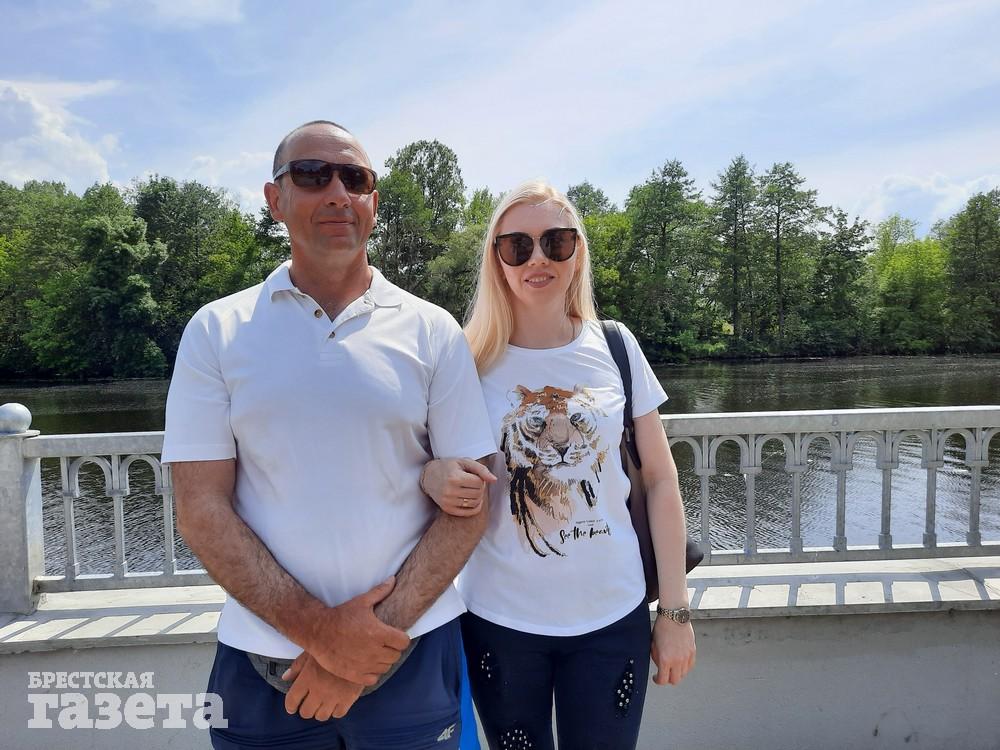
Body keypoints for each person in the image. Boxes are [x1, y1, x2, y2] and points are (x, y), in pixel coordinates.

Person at [161, 120, 497, 750]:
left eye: (355, 179)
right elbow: (200, 506)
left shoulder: (432, 330)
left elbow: (473, 503)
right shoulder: (216, 331)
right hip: (263, 659)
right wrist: (322, 634)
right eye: (313, 175)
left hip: (413, 653)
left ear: (373, 201)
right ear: (275, 199)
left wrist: (362, 646)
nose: (338, 193)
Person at [420, 180, 696, 750]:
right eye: (517, 246)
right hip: (500, 619)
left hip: (612, 614)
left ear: (578, 252)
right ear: (497, 259)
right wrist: (431, 475)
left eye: (556, 242)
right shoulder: (464, 359)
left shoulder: (616, 346)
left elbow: (660, 479)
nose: (537, 259)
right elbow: (419, 461)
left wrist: (675, 613)